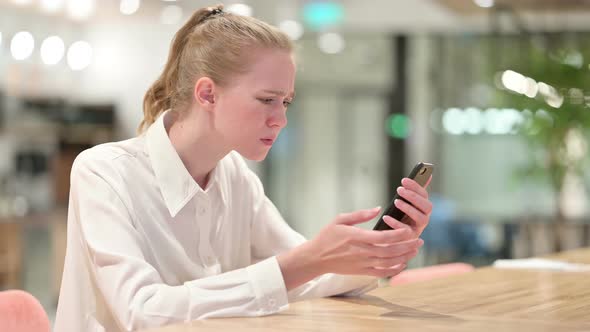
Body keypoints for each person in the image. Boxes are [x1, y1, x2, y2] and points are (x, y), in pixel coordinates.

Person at [54, 4, 433, 331]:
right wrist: (306, 261)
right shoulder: (104, 172)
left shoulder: (235, 178)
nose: (280, 119)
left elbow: (307, 277)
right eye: (267, 99)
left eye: (286, 102)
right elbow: (142, 312)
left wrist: (377, 252)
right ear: (207, 94)